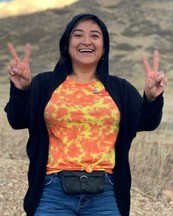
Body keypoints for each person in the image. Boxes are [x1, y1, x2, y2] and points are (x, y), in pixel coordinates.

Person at [5, 13, 167, 216]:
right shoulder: (44, 84)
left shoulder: (120, 89)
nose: (86, 41)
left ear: (104, 47)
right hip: (52, 190)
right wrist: (21, 91)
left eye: (95, 36)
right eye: (78, 35)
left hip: (106, 192)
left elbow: (146, 122)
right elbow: (17, 120)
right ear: (67, 43)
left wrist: (151, 99)